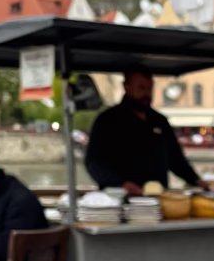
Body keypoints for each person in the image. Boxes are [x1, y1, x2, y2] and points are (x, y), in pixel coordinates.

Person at [85, 63, 207, 194]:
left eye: (150, 88)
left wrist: (195, 180)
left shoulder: (160, 121)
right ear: (126, 87)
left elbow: (176, 159)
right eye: (141, 88)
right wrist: (120, 184)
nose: (146, 94)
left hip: (157, 200)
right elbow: (94, 162)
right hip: (120, 200)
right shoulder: (107, 120)